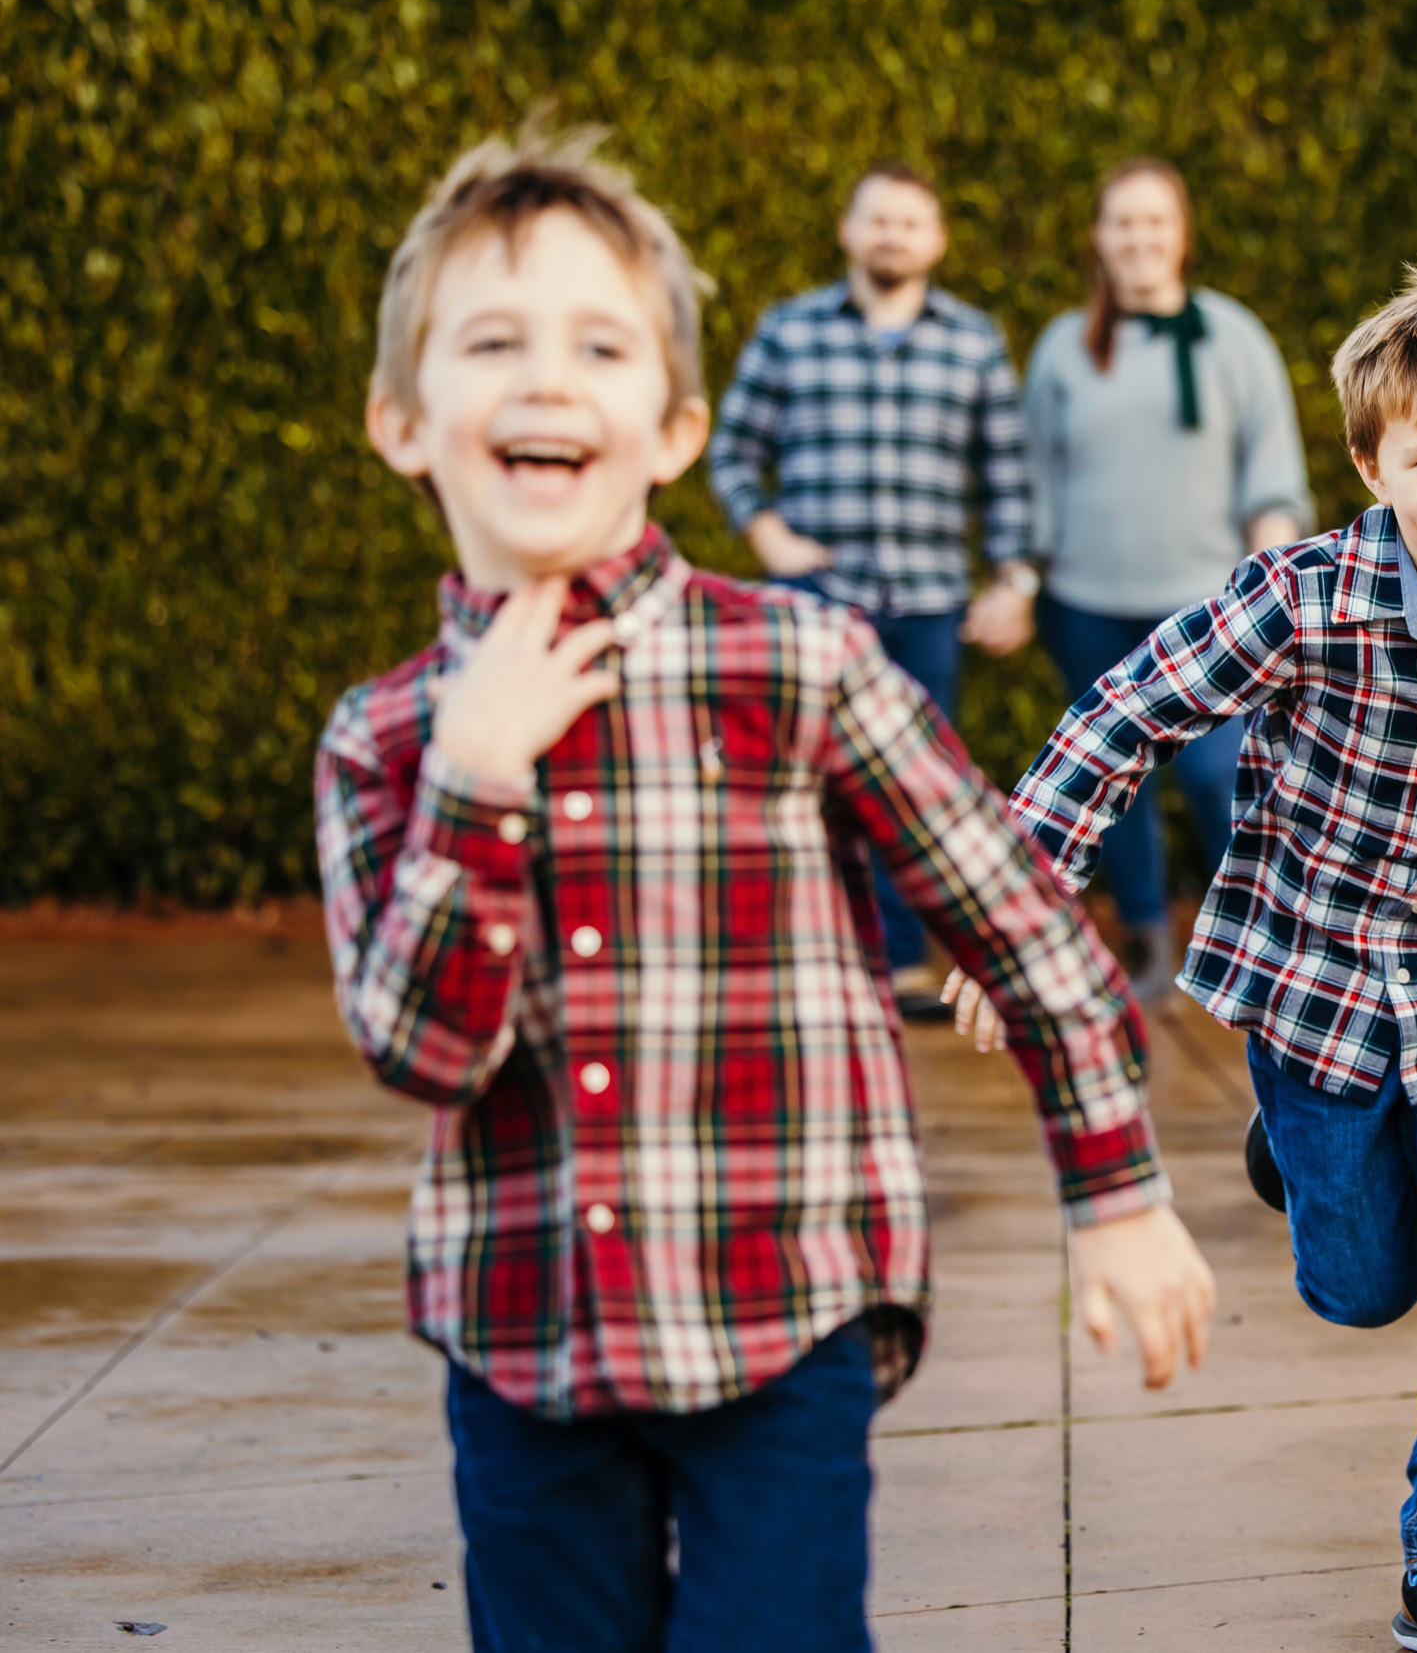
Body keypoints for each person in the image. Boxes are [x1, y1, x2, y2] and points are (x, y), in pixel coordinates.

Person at [315, 121, 1215, 1651]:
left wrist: (1117, 1189)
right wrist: (475, 780)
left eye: (598, 344)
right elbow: (425, 1049)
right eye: (492, 341)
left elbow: (1020, 922)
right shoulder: (388, 738)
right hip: (522, 1336)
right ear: (405, 418)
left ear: (672, 424)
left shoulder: (795, 661)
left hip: (781, 1306)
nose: (546, 378)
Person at [951, 255, 1417, 1653]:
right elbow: (1121, 717)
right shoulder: (1300, 596)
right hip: (1321, 982)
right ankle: (1296, 1155)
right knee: (1362, 1286)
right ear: (1370, 461)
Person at [709, 161, 1038, 1018]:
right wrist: (766, 531)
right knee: (800, 781)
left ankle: (897, 962)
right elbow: (731, 447)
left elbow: (1006, 477)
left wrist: (1013, 578)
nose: (892, 235)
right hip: (819, 595)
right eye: (877, 220)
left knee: (913, 788)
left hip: (930, 601)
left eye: (909, 222)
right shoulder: (789, 331)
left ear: (935, 240)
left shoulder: (974, 342)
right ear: (849, 232)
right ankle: (802, 958)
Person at [1023, 159, 1314, 1001]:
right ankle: (1145, 940)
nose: (1139, 239)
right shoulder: (1063, 348)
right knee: (1116, 779)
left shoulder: (1232, 337)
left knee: (1222, 775)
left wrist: (1271, 592)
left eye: (1155, 222)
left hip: (1206, 617)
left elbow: (1272, 476)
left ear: (1182, 234)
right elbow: (1036, 477)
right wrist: (1021, 575)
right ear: (1099, 239)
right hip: (1086, 603)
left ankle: (1255, 944)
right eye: (1122, 223)